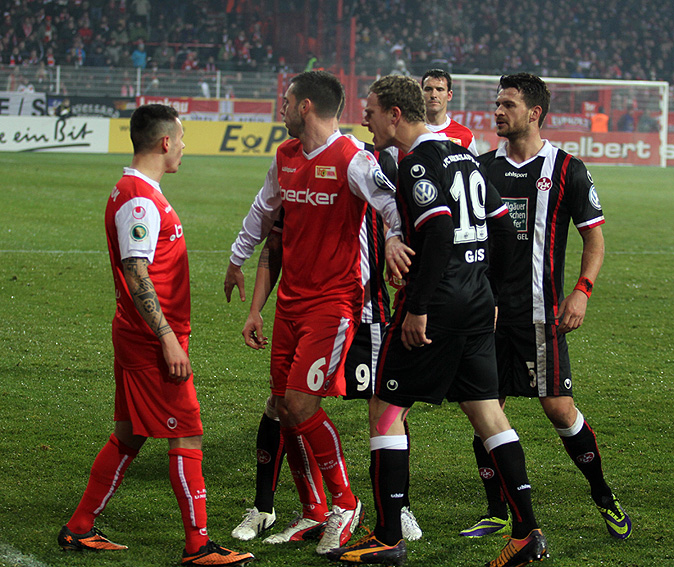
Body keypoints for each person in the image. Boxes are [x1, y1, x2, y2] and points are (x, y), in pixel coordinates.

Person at [327, 74, 548, 567]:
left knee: (386, 408)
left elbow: (441, 228)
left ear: (395, 115)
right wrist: (491, 290)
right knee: (487, 413)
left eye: (371, 111)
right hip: (476, 302)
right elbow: (502, 226)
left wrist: (419, 306)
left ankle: (388, 536)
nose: (365, 119)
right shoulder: (464, 156)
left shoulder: (416, 163)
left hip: (438, 305)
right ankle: (527, 531)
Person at [57, 104, 255, 567]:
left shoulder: (136, 191)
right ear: (166, 142)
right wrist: (167, 338)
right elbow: (135, 271)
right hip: (152, 341)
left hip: (139, 335)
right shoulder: (139, 199)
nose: (183, 146)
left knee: (128, 435)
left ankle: (79, 527)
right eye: (181, 139)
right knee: (187, 434)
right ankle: (198, 546)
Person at [223, 71, 407, 556]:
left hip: (333, 304)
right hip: (290, 303)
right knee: (284, 407)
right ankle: (314, 510)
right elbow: (262, 211)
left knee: (302, 406)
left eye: (286, 101)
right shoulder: (285, 156)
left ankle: (346, 503)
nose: (281, 108)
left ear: (305, 106)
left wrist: (393, 238)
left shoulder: (353, 158)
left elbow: (392, 203)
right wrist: (237, 259)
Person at [461, 72, 632, 542]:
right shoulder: (481, 168)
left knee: (558, 408)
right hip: (488, 315)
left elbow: (593, 238)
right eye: (497, 103)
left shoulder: (567, 169)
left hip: (541, 314)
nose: (498, 111)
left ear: (534, 113)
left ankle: (603, 495)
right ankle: (497, 511)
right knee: (484, 411)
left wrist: (583, 290)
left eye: (508, 104)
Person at [421, 68, 478, 155]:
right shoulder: (407, 133)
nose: (433, 95)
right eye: (428, 89)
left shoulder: (465, 136)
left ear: (449, 95)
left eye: (439, 89)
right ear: (421, 94)